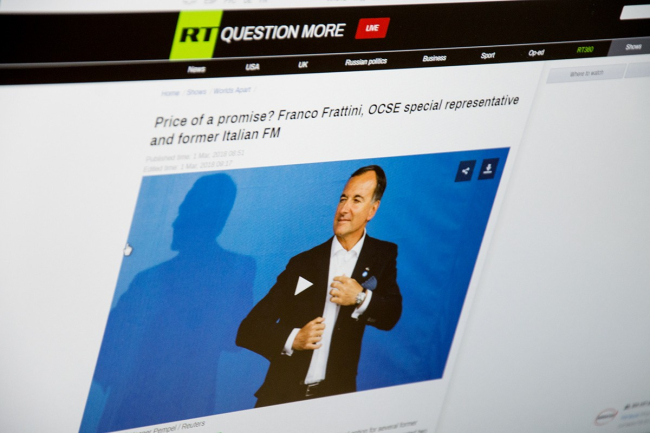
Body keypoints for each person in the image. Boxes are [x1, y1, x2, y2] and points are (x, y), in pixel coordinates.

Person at [237, 165, 402, 407]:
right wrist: (294, 339)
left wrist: (360, 298)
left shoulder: (382, 255)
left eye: (356, 200)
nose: (344, 209)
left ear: (373, 209)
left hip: (335, 402)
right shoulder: (303, 263)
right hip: (280, 399)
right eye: (343, 199)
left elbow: (391, 315)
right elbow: (248, 329)